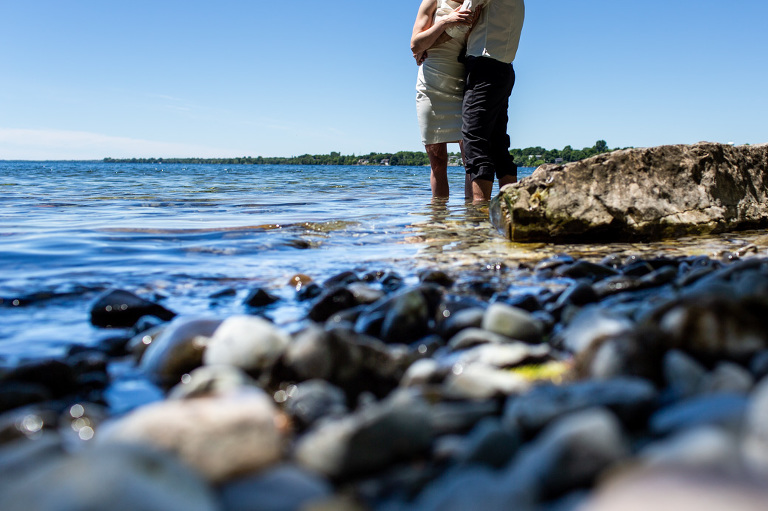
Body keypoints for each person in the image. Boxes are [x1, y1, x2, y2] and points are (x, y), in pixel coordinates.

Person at [461, 0, 525, 204]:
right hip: (504, 69)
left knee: (475, 139)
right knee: (497, 144)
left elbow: (463, 16)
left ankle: (478, 215)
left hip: (485, 68)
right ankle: (512, 208)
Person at [410, 0, 474, 199]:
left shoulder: (476, 2)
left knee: (470, 161)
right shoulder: (432, 1)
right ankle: (439, 222)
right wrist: (445, 21)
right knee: (437, 163)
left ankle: (471, 221)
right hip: (430, 88)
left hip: (463, 85)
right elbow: (415, 45)